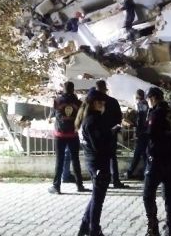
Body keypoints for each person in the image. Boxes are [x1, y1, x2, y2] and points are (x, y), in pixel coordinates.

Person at [143, 87, 171, 236]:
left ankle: (153, 228)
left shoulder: (155, 114)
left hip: (157, 161)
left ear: (153, 98)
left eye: (148, 99)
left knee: (148, 194)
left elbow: (149, 134)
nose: (148, 102)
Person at [78, 89, 113, 236]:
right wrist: (111, 135)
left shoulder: (87, 119)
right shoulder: (93, 120)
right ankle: (94, 230)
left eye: (103, 102)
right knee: (98, 200)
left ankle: (85, 226)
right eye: (100, 102)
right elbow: (99, 144)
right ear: (93, 103)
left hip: (93, 161)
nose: (103, 104)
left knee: (96, 196)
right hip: (99, 163)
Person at [48, 82, 88, 194]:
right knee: (75, 160)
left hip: (59, 135)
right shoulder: (78, 102)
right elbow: (81, 117)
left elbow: (54, 115)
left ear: (63, 89)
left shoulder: (57, 101)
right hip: (73, 134)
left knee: (59, 160)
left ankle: (56, 187)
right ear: (73, 89)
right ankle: (79, 185)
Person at [96, 80, 128, 189]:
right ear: (105, 89)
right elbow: (119, 118)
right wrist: (115, 128)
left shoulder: (93, 103)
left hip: (98, 135)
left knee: (100, 157)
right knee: (112, 157)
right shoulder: (113, 101)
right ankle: (115, 180)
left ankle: (101, 180)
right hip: (111, 133)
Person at [125, 89, 150, 179]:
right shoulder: (147, 104)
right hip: (146, 132)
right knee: (143, 154)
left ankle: (131, 172)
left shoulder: (140, 105)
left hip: (142, 132)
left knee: (139, 153)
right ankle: (144, 173)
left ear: (137, 97)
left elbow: (139, 120)